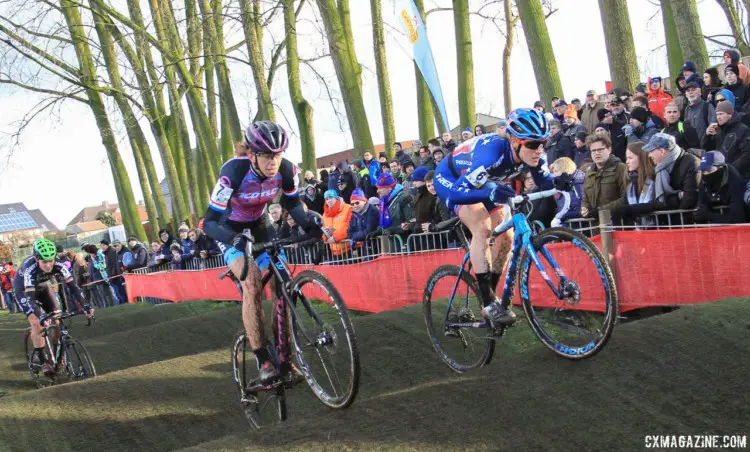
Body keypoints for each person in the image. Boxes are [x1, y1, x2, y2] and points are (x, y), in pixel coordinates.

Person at [203, 120, 319, 384]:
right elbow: (209, 222)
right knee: (252, 283)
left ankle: (285, 359)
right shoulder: (232, 172)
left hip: (259, 225)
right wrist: (233, 239)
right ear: (252, 154)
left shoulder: (287, 169)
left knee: (284, 283)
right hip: (228, 228)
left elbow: (292, 203)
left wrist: (309, 224)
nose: (273, 162)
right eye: (267, 156)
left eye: (277, 155)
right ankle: (263, 360)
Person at [433, 108, 569, 327]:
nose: (539, 150)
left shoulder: (533, 155)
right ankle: (487, 302)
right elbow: (459, 191)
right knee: (482, 226)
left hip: (486, 181)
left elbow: (545, 183)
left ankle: (491, 296)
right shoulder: (493, 154)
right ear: (515, 141)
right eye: (533, 144)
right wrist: (490, 193)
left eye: (543, 143)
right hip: (452, 179)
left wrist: (560, 181)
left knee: (507, 235)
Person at [13, 239, 92, 375]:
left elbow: (73, 286)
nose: (49, 265)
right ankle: (43, 361)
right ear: (37, 259)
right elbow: (30, 298)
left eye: (51, 260)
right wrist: (41, 315)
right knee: (37, 322)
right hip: (24, 291)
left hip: (44, 287)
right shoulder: (30, 269)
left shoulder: (59, 265)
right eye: (45, 262)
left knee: (57, 319)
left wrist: (85, 305)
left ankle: (57, 356)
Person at [581, 133, 628, 219]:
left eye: (600, 150)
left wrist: (600, 211)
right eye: (593, 151)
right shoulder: (589, 172)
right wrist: (585, 208)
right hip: (596, 226)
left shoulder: (620, 168)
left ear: (609, 149)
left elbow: (626, 198)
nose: (597, 153)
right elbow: (585, 198)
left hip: (617, 223)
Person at [694, 151, 748, 224]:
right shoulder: (704, 181)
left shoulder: (735, 182)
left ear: (721, 168)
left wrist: (709, 215)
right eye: (703, 170)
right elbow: (701, 205)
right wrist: (698, 213)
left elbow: (737, 219)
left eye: (709, 170)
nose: (705, 174)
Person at [611, 142, 657, 226]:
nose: (627, 162)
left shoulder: (655, 178)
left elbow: (659, 204)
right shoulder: (631, 184)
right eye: (626, 158)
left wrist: (633, 209)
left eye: (630, 158)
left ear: (642, 158)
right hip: (638, 233)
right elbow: (625, 205)